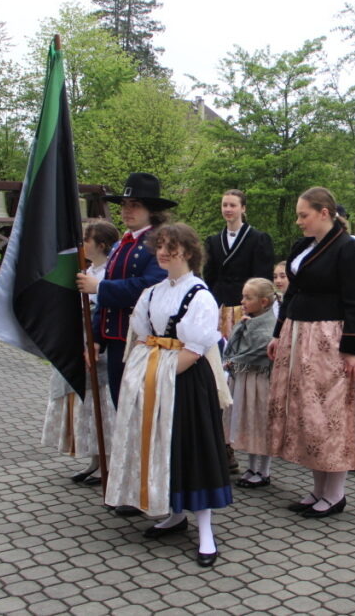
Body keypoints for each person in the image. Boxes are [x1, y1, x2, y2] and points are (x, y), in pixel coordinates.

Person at [105, 223, 230, 568]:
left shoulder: (200, 294)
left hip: (186, 381)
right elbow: (143, 335)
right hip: (158, 376)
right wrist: (145, 376)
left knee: (193, 449)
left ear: (188, 252)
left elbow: (195, 349)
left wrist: (158, 376)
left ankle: (206, 531)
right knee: (164, 446)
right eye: (160, 246)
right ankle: (175, 515)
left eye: (170, 247)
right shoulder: (153, 292)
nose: (162, 252)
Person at [267, 187, 355, 517]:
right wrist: (278, 331)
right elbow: (292, 293)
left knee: (330, 415)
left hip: (331, 338)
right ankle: (317, 489)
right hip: (299, 334)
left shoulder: (350, 249)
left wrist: (353, 349)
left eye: (304, 215)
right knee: (307, 416)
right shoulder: (303, 246)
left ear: (324, 213)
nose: (299, 221)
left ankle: (335, 493)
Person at [79, 172, 172, 411]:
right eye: (124, 205)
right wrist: (97, 339)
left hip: (143, 341)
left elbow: (150, 286)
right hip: (116, 339)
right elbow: (105, 301)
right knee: (121, 406)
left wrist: (100, 287)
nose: (127, 211)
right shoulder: (121, 244)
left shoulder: (160, 244)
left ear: (151, 209)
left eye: (135, 205)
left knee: (141, 410)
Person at [43, 220, 120, 485]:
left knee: (102, 403)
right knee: (87, 403)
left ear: (101, 245)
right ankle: (95, 459)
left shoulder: (108, 274)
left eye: (86, 240)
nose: (82, 245)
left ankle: (108, 461)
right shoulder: (87, 270)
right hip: (81, 342)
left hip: (100, 344)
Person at [224, 278, 277, 488]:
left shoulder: (269, 327)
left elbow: (258, 352)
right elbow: (233, 345)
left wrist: (233, 361)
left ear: (263, 302)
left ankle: (264, 471)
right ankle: (251, 466)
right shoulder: (246, 321)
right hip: (244, 379)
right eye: (243, 296)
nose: (242, 301)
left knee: (261, 423)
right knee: (248, 422)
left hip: (260, 381)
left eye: (248, 297)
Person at [203, 189, 275, 339]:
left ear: (243, 208)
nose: (228, 209)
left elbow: (263, 279)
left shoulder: (259, 239)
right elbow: (209, 276)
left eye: (233, 205)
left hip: (246, 306)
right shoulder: (213, 241)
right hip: (219, 306)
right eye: (225, 205)